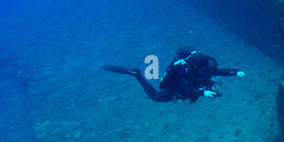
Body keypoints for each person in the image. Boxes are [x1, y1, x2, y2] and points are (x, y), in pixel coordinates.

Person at [102, 47, 244, 103]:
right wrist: (202, 92)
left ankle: (137, 74)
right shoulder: (184, 72)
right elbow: (187, 90)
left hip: (195, 85)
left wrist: (234, 71)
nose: (207, 70)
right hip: (177, 88)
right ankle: (137, 75)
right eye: (204, 68)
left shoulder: (204, 66)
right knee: (156, 97)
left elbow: (217, 71)